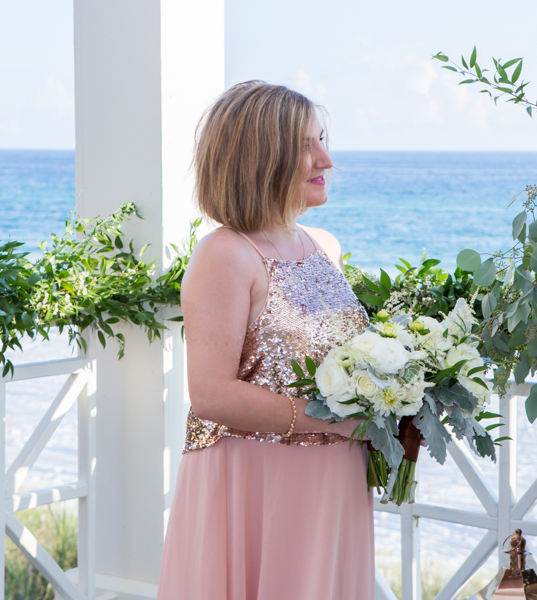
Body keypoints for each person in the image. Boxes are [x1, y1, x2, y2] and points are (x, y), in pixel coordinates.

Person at [156, 81, 374, 600]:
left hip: (335, 480)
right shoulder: (224, 254)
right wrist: (339, 422)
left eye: (322, 139)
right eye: (305, 145)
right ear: (259, 157)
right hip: (257, 485)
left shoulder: (324, 246)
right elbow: (210, 393)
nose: (326, 158)